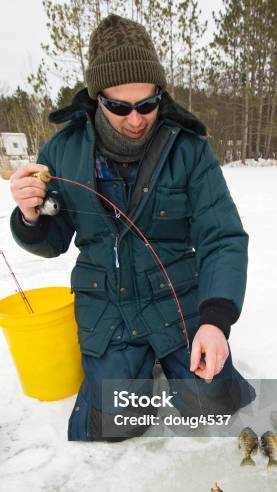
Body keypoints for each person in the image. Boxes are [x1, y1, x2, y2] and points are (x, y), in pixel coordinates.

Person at [9, 14, 254, 442]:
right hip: (109, 310)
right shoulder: (62, 149)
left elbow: (223, 237)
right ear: (96, 98)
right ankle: (133, 364)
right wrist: (30, 216)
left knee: (215, 409)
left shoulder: (189, 148)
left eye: (147, 104)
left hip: (177, 303)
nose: (136, 118)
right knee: (114, 426)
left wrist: (216, 322)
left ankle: (171, 359)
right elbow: (52, 241)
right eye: (120, 107)